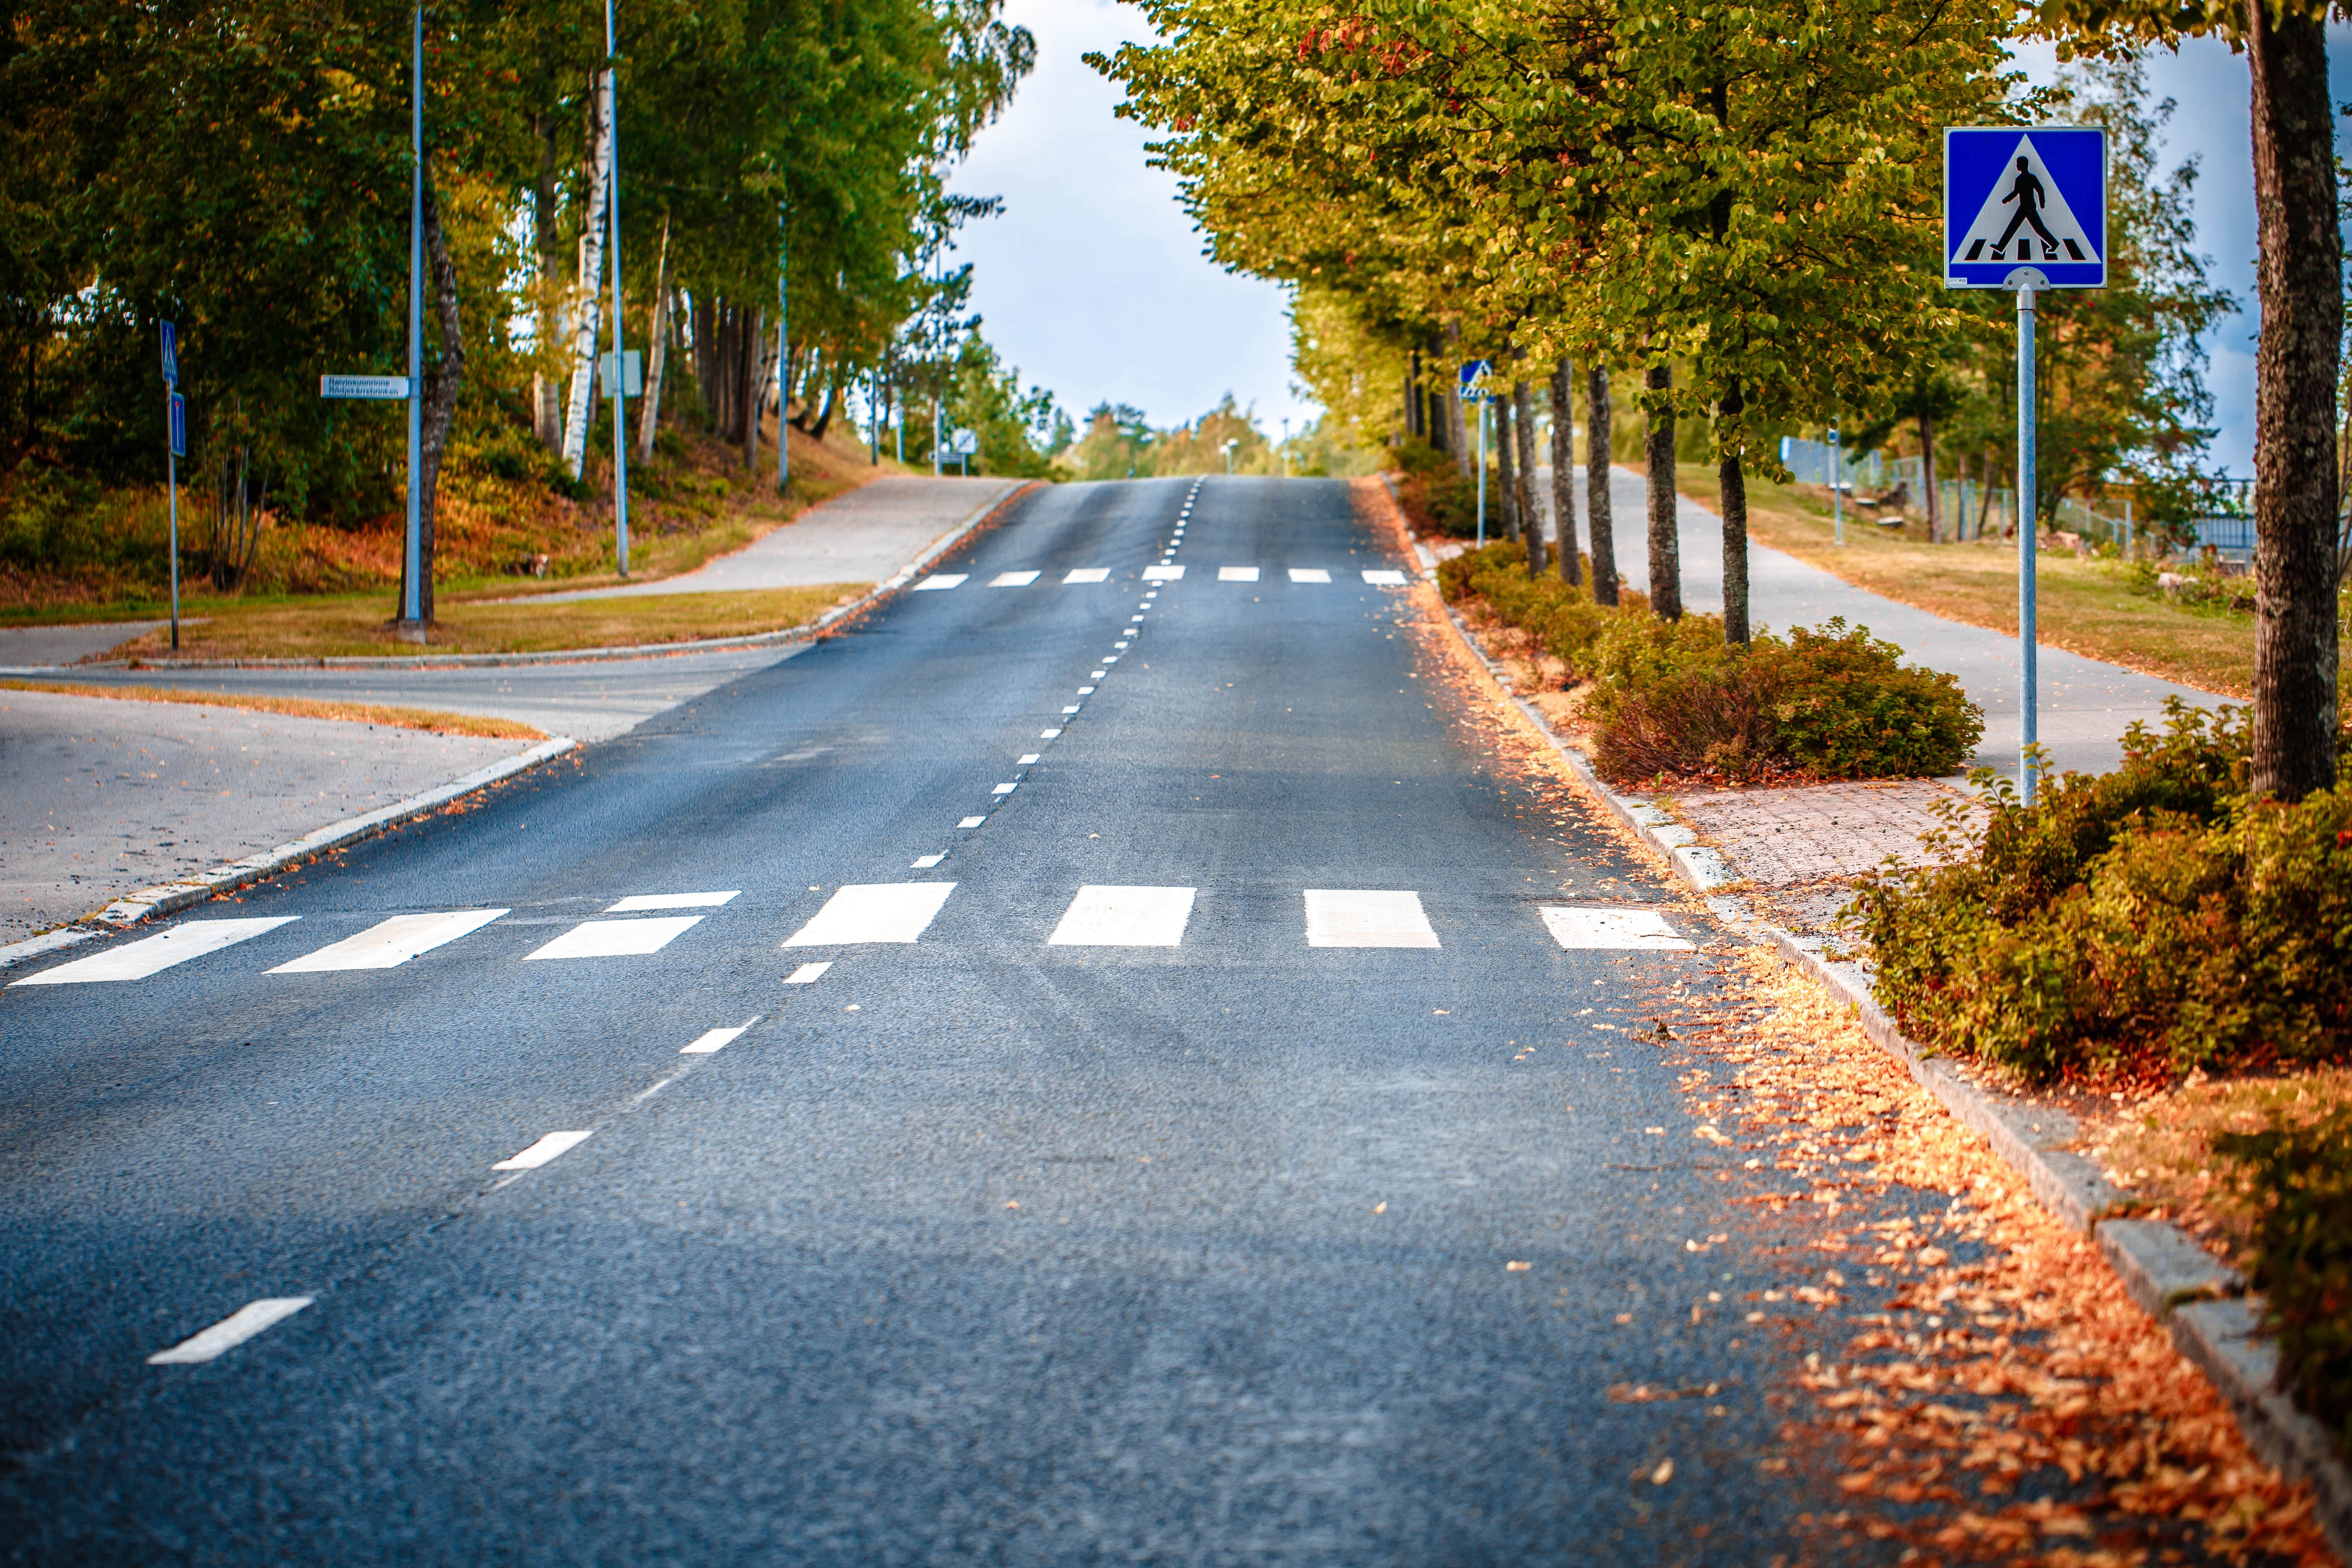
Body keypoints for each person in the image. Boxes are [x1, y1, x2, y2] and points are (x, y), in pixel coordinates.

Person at [1994, 155, 2057, 262]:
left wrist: (2042, 203)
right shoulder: (2019, 179)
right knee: (2014, 227)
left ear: (2024, 165)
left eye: (2018, 164)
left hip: (2029, 208)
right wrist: (2007, 200)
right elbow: (2016, 192)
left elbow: (2040, 189)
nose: (2017, 166)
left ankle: (2054, 243)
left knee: (2038, 229)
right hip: (2024, 207)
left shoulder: (2031, 178)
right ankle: (2000, 247)